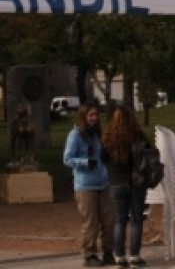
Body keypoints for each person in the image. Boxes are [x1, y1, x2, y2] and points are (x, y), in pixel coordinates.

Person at [63, 103, 116, 267]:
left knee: (108, 220)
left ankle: (108, 251)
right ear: (83, 117)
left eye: (95, 115)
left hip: (103, 182)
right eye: (90, 115)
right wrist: (84, 162)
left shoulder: (97, 134)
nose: (94, 118)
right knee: (90, 222)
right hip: (85, 185)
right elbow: (67, 159)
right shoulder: (75, 135)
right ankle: (89, 253)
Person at [102, 104, 149, 268]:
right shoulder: (138, 136)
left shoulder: (108, 138)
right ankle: (134, 256)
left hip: (116, 181)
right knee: (136, 220)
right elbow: (148, 156)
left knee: (119, 220)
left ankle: (119, 256)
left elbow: (102, 158)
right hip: (136, 181)